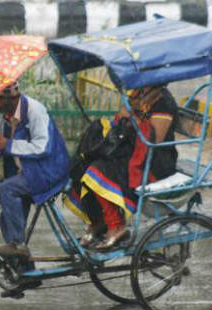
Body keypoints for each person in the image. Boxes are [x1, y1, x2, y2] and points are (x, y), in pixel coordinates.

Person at [64, 85, 178, 250]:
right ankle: (98, 221)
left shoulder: (164, 102)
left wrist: (133, 118)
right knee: (81, 167)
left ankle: (117, 226)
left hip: (154, 161)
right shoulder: (138, 92)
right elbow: (120, 119)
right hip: (131, 149)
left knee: (96, 172)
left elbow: (155, 141)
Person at [0, 82, 70, 259]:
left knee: (7, 188)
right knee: (6, 220)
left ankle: (18, 244)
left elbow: (42, 146)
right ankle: (23, 270)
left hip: (48, 170)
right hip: (29, 172)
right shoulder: (6, 116)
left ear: (11, 98)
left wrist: (9, 144)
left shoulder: (34, 111)